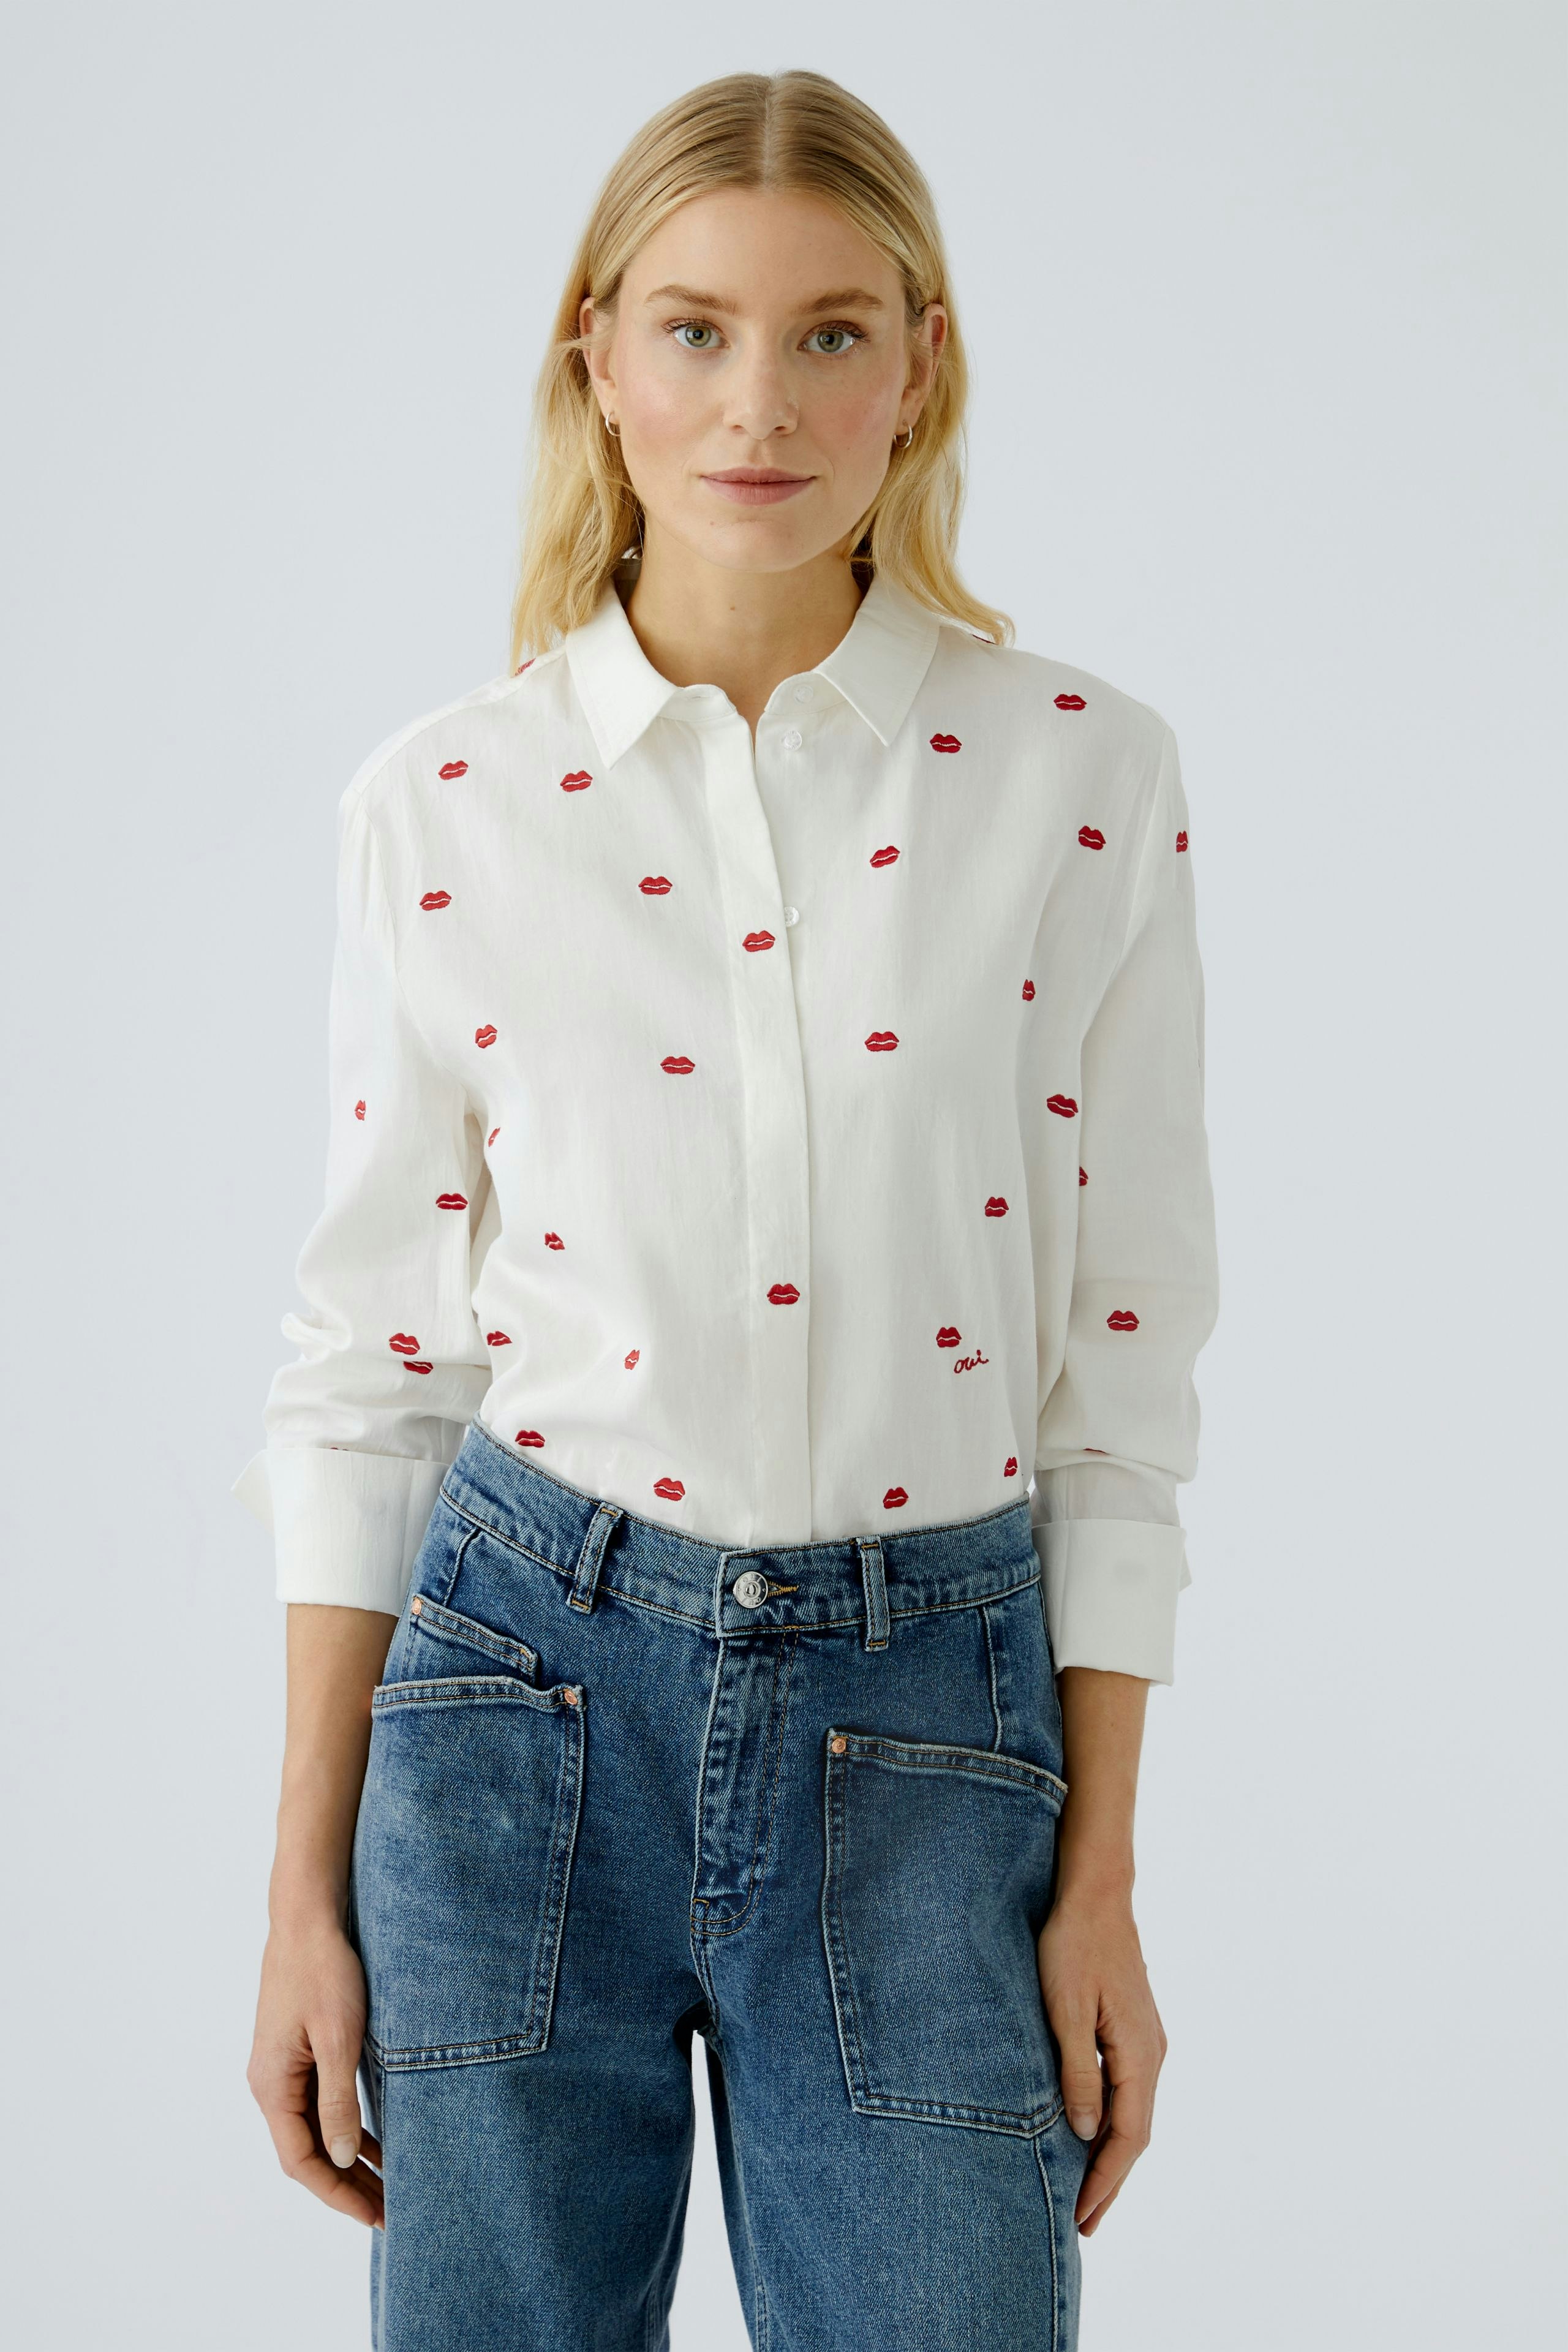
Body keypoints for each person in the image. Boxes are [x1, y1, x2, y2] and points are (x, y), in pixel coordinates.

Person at [236, 67, 1219, 2352]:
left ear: (925, 360)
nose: (758, 401)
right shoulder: (449, 802)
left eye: (830, 333)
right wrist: (300, 1886)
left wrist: (1103, 1876)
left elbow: (1124, 1368)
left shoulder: (1082, 778)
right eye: (692, 329)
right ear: (597, 353)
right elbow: (374, 1373)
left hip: (936, 1718)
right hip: (514, 1699)